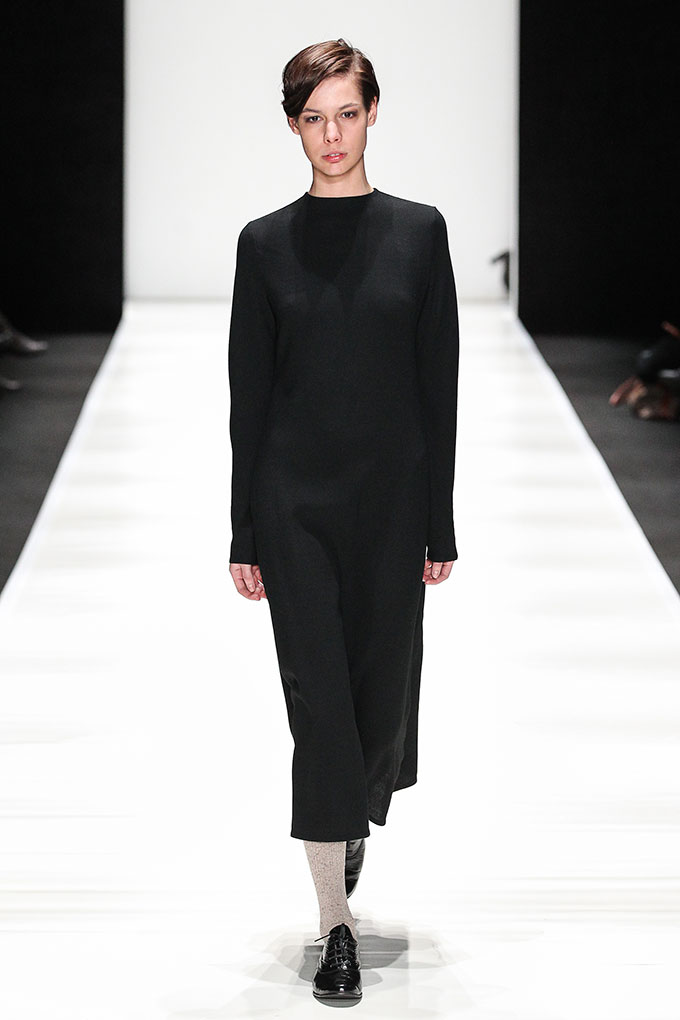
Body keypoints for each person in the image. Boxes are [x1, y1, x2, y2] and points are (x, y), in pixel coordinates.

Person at [227, 38, 460, 1002]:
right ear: (293, 125)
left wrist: (440, 521)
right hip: (296, 510)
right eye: (313, 118)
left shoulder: (420, 233)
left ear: (372, 115)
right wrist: (245, 529)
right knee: (319, 709)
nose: (331, 135)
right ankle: (335, 924)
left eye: (346, 114)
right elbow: (248, 397)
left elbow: (438, 385)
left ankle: (352, 815)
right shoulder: (264, 244)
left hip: (393, 505)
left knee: (376, 703)